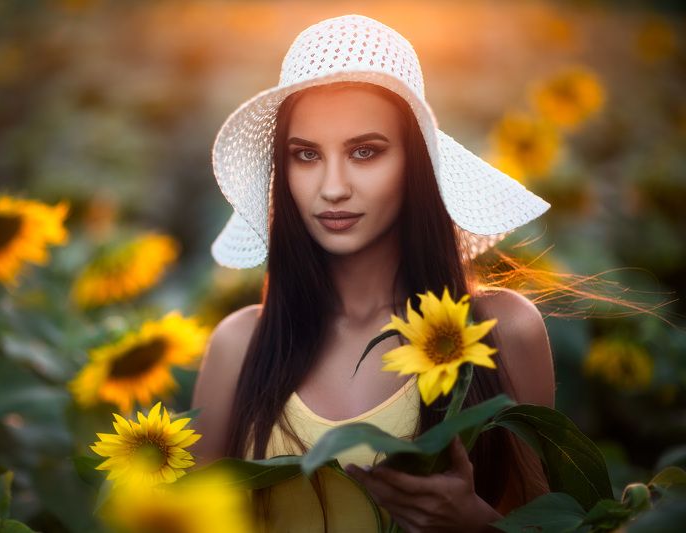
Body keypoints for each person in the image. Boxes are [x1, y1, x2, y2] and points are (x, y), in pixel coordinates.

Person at [192, 14, 555, 532]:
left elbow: (549, 519)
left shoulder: (503, 330)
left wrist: (474, 524)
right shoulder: (240, 344)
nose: (333, 186)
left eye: (365, 152)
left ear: (416, 164)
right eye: (306, 155)